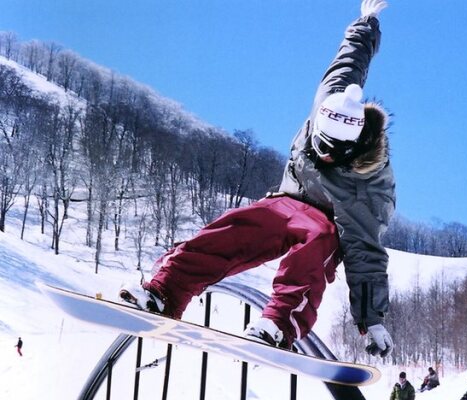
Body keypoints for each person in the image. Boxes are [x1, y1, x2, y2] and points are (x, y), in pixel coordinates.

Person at [120, 0, 395, 357]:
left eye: (334, 152)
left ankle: (278, 325)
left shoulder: (370, 185)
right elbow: (349, 60)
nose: (324, 155)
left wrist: (371, 318)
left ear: (353, 146)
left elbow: (366, 252)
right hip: (286, 201)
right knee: (234, 228)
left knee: (316, 241)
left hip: (329, 226)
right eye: (319, 144)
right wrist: (367, 21)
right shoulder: (330, 97)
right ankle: (164, 291)